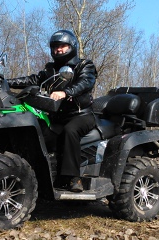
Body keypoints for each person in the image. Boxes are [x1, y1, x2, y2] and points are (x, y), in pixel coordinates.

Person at [8, 30, 97, 192]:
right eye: (55, 47)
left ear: (72, 46)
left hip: (81, 115)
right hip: (57, 116)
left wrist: (66, 92)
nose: (59, 50)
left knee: (70, 131)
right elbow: (33, 79)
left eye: (63, 46)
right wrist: (6, 82)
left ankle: (73, 179)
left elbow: (86, 82)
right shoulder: (51, 69)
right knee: (41, 133)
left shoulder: (84, 65)